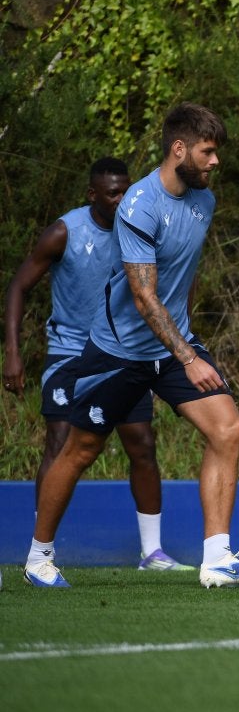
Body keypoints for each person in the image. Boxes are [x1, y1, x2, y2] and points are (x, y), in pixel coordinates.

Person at [23, 104, 239, 590]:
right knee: (79, 449)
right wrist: (188, 357)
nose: (214, 162)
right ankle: (38, 557)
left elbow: (186, 276)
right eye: (208, 151)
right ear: (179, 149)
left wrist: (185, 343)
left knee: (228, 429)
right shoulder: (139, 205)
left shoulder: (204, 202)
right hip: (118, 350)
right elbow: (143, 295)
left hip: (171, 343)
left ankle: (218, 558)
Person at [5, 159, 192, 571]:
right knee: (61, 442)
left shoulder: (142, 227)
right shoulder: (64, 232)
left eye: (126, 190)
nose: (122, 199)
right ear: (93, 195)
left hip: (121, 352)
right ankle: (41, 554)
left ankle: (153, 553)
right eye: (112, 193)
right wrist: (13, 352)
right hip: (71, 352)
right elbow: (18, 285)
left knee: (141, 443)